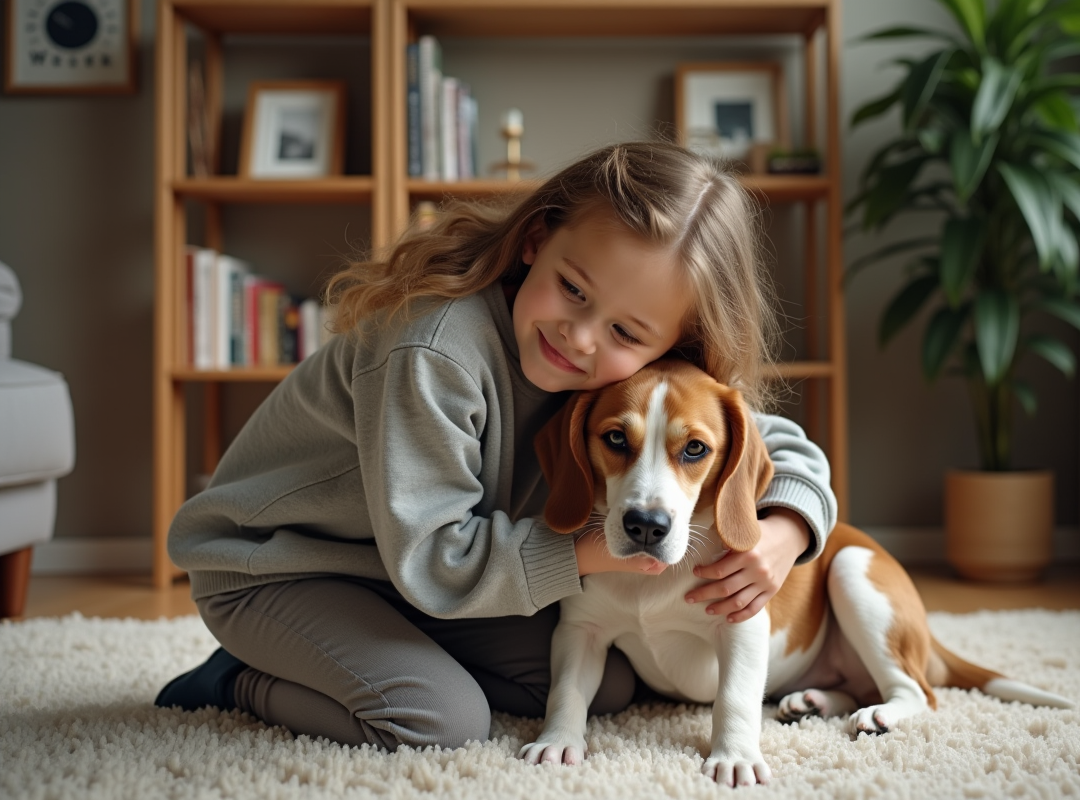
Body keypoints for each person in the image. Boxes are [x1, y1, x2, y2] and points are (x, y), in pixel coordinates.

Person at [155, 141, 838, 752]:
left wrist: (784, 532)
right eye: (573, 289)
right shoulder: (435, 353)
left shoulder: (630, 381)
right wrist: (602, 546)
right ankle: (239, 681)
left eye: (628, 333)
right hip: (281, 568)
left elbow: (766, 441)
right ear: (535, 239)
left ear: (673, 346)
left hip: (404, 585)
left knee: (608, 687)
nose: (581, 337)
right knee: (438, 720)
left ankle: (382, 657)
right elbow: (437, 559)